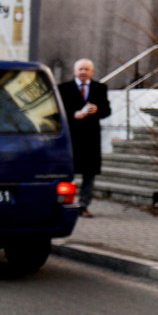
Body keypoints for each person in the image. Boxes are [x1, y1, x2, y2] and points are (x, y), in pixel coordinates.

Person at [58, 58, 112, 216]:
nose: (83, 72)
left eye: (86, 69)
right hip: (71, 136)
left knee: (90, 172)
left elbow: (107, 111)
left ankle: (83, 205)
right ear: (74, 71)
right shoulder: (64, 88)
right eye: (80, 69)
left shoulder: (99, 88)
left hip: (91, 137)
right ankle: (65, 203)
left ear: (92, 72)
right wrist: (73, 114)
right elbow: (57, 111)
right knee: (68, 171)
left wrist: (97, 109)